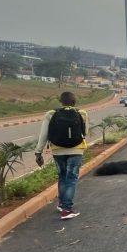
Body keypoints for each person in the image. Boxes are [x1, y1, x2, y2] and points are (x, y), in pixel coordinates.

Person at [34, 91, 89, 220]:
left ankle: (61, 204)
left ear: (61, 102)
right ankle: (67, 210)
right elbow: (85, 132)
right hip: (76, 150)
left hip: (58, 150)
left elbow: (44, 134)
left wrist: (38, 152)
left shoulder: (51, 114)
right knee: (71, 178)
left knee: (62, 176)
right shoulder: (82, 113)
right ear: (74, 102)